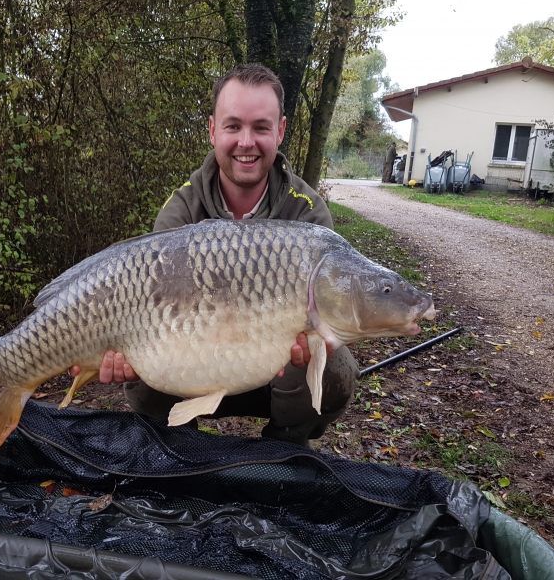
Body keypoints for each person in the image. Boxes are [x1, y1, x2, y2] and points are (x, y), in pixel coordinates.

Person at [70, 64, 359, 446]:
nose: (246, 142)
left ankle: (284, 451)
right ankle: (178, 447)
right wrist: (124, 358)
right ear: (212, 130)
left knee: (335, 366)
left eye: (260, 127)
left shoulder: (307, 213)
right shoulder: (181, 210)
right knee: (140, 377)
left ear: (280, 131)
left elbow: (333, 308)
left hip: (274, 379)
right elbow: (147, 314)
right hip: (191, 371)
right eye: (233, 126)